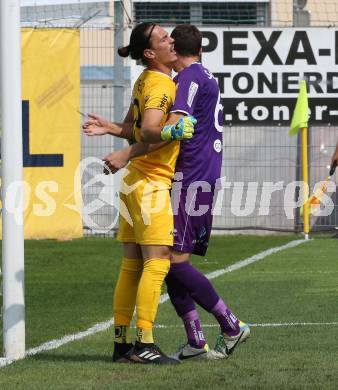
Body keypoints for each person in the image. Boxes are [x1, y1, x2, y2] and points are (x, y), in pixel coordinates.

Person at [100, 24, 250, 361]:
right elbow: (155, 130)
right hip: (175, 179)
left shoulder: (175, 81)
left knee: (163, 262)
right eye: (161, 37)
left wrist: (125, 151)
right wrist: (118, 132)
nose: (167, 39)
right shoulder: (176, 80)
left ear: (176, 49)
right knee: (165, 261)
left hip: (183, 178)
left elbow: (158, 131)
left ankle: (223, 326)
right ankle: (198, 336)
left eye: (169, 37)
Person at [83, 22, 196, 365]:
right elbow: (148, 131)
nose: (171, 41)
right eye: (164, 39)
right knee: (158, 261)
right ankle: (145, 342)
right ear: (150, 53)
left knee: (131, 266)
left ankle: (121, 343)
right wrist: (175, 130)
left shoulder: (144, 79)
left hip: (133, 184)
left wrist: (111, 129)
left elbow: (133, 129)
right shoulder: (161, 83)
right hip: (150, 185)